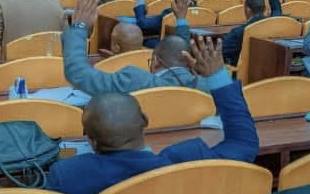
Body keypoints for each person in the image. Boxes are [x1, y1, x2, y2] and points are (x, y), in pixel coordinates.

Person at [45, 33, 259, 194]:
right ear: (145, 120)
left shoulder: (68, 175)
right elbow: (244, 144)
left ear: (91, 142)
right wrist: (218, 77)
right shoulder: (187, 159)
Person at [62, 0, 205, 95]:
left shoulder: (134, 81)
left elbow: (78, 74)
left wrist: (79, 27)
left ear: (155, 61)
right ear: (188, 59)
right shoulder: (203, 85)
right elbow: (181, 49)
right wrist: (181, 19)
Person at [222, 0, 283, 65]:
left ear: (247, 9)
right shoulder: (275, 22)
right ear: (265, 9)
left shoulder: (239, 31)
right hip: (269, 67)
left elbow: (222, 51)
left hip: (244, 70)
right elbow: (276, 7)